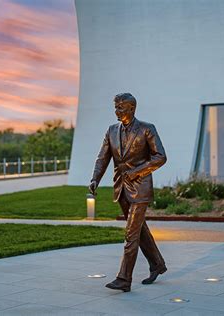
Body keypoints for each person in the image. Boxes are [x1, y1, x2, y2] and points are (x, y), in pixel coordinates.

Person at [89, 92, 167, 292]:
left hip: (140, 187)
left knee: (131, 234)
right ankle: (157, 264)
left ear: (132, 108)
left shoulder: (147, 129)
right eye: (115, 107)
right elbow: (102, 158)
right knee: (139, 230)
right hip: (121, 188)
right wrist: (95, 178)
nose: (117, 111)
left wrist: (136, 172)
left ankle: (124, 279)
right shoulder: (111, 130)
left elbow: (160, 157)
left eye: (120, 107)